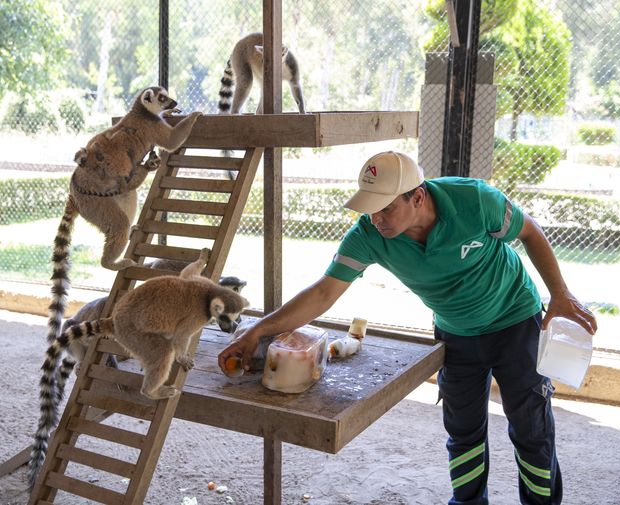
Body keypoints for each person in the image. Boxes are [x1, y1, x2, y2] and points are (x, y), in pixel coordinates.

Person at [218, 150, 597, 505]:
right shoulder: (369, 235)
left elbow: (529, 232)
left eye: (384, 208)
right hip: (456, 332)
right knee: (463, 431)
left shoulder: (476, 201)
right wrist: (258, 331)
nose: (375, 219)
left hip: (515, 320)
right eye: (369, 210)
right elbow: (323, 292)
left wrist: (560, 295)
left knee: (530, 429)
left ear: (417, 197)